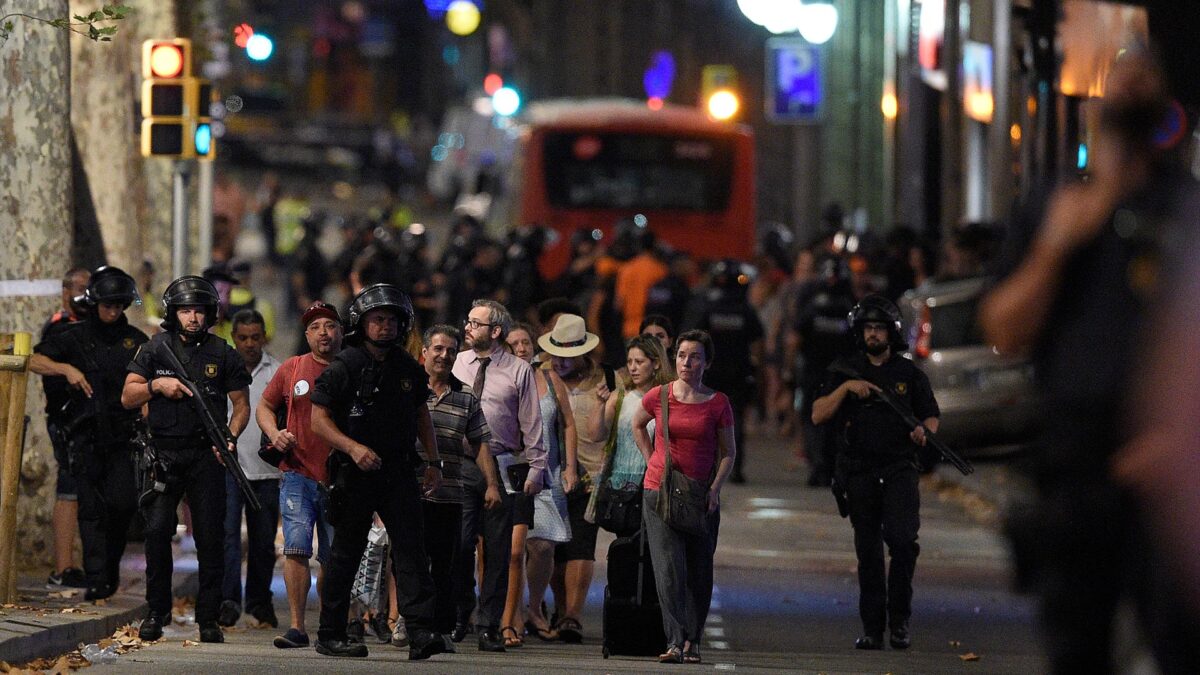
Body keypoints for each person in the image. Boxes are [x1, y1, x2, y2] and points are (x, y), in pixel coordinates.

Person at [980, 51, 1200, 673]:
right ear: (1098, 102)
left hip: (1171, 472)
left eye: (1146, 73)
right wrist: (1057, 243)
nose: (1131, 83)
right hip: (1077, 467)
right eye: (1120, 74)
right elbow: (1004, 329)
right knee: (1076, 648)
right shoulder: (1057, 205)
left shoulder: (1185, 209)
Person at [308, 284, 446, 660]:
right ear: (361, 322)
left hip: (399, 470)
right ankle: (331, 632)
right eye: (377, 319)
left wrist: (433, 463)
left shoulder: (407, 367)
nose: (385, 327)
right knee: (345, 552)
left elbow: (422, 415)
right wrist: (352, 448)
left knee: (412, 551)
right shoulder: (345, 366)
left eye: (392, 320)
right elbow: (317, 420)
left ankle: (420, 632)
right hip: (354, 473)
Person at [122, 275, 252, 643]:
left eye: (198, 311)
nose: (192, 318)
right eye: (184, 311)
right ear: (172, 313)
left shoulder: (223, 352)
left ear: (209, 314)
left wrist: (231, 436)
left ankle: (208, 618)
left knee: (211, 539)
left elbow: (240, 405)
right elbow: (127, 396)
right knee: (157, 533)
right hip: (163, 453)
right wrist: (155, 386)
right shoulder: (154, 348)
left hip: (206, 455)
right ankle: (156, 612)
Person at [810, 294, 938, 651]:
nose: (873, 335)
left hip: (899, 469)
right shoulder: (843, 370)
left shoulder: (908, 374)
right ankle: (872, 628)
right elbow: (818, 414)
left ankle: (900, 622)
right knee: (868, 554)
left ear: (891, 333)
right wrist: (847, 389)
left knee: (902, 543)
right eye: (868, 328)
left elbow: (930, 415)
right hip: (859, 472)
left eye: (879, 328)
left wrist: (924, 431)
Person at [30, 266, 148, 601]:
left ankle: (109, 566)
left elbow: (151, 380)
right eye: (107, 304)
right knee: (91, 510)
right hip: (84, 437)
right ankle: (97, 578)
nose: (112, 311)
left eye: (118, 305)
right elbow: (34, 359)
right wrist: (66, 368)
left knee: (123, 505)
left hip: (124, 438)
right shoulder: (74, 336)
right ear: (94, 302)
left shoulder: (135, 342)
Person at [632, 330, 735, 664]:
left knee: (699, 570)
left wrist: (715, 489)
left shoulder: (718, 403)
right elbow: (637, 425)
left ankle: (693, 640)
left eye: (694, 357)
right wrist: (652, 462)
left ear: (707, 362)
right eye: (681, 355)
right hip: (659, 493)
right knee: (668, 569)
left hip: (699, 496)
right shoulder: (660, 396)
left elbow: (728, 453)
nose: (687, 362)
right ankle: (675, 641)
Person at [451, 299, 545, 652]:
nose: (468, 328)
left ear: (495, 331)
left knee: (498, 550)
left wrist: (537, 467)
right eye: (468, 321)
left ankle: (490, 624)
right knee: (459, 544)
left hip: (503, 464)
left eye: (476, 323)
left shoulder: (520, 371)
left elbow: (531, 423)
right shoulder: (459, 362)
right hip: (462, 463)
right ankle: (462, 609)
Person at [403, 324, 497, 650]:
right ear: (424, 352)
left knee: (447, 564)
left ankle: (441, 629)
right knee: (410, 560)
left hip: (450, 491)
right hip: (409, 491)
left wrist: (492, 486)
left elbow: (480, 442)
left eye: (451, 351)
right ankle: (409, 621)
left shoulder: (465, 394)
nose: (444, 356)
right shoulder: (406, 387)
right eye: (439, 349)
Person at [257, 301, 343, 649]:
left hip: (340, 477)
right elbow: (265, 405)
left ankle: (331, 625)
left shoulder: (352, 367)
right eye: (315, 326)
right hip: (296, 472)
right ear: (307, 335)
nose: (323, 332)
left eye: (330, 325)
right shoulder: (293, 369)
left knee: (335, 556)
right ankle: (296, 626)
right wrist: (274, 434)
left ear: (340, 331)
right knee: (295, 549)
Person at [504, 323, 576, 645]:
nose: (521, 348)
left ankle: (534, 608)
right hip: (513, 473)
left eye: (525, 342)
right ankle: (513, 613)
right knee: (514, 550)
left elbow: (569, 424)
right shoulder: (499, 379)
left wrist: (570, 467)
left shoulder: (550, 378)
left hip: (548, 475)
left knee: (544, 546)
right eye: (514, 344)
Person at [539, 314, 605, 644]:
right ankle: (558, 609)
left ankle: (572, 616)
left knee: (581, 544)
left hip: (590, 475)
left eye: (569, 356)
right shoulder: (540, 376)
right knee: (552, 547)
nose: (562, 362)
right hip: (549, 473)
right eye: (557, 355)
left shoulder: (604, 380)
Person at [217, 310, 282, 629]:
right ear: (234, 338)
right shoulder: (222, 370)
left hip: (267, 472)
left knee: (263, 541)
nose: (249, 344)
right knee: (226, 536)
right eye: (243, 338)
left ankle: (259, 601)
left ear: (264, 337)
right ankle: (228, 600)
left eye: (255, 337)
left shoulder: (278, 372)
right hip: (228, 468)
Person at [686, 259, 764, 484]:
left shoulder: (706, 306)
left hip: (709, 373)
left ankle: (704, 467)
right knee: (734, 420)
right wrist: (756, 368)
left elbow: (693, 337)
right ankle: (735, 468)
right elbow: (757, 341)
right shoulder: (745, 309)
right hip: (738, 373)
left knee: (705, 421)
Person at [589, 334, 673, 529]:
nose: (632, 367)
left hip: (656, 484)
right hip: (623, 488)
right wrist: (599, 404)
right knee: (627, 546)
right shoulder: (621, 397)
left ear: (657, 364)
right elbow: (596, 435)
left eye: (639, 361)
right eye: (629, 362)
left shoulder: (669, 398)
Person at [40, 267, 90, 590]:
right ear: (65, 291)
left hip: (92, 422)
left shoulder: (93, 327)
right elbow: (35, 360)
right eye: (81, 289)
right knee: (69, 490)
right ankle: (63, 567)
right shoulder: (59, 327)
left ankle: (84, 566)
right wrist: (66, 369)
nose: (86, 295)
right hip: (66, 421)